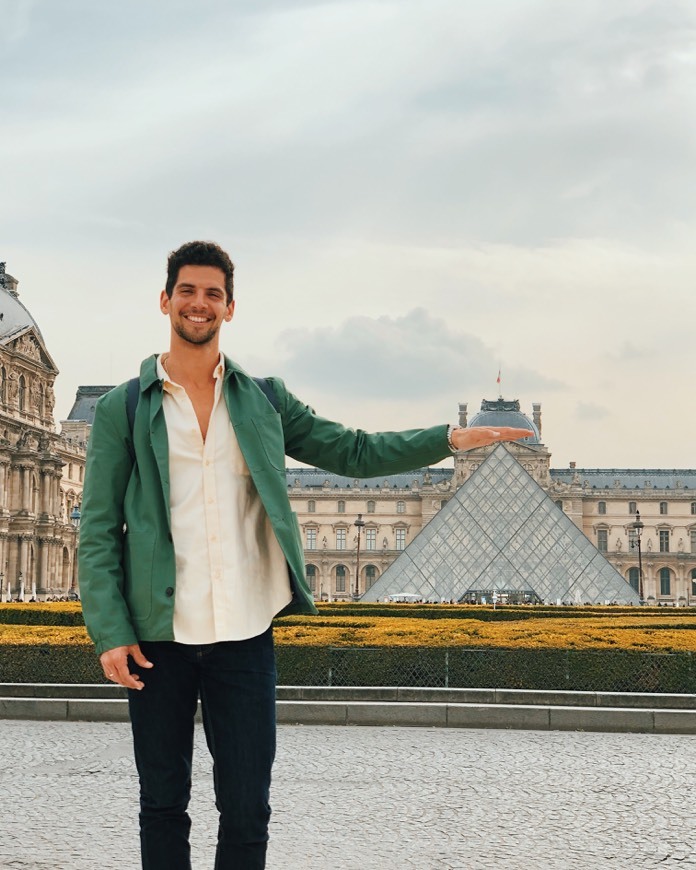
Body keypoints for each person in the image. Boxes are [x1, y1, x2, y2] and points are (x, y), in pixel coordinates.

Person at [78, 240, 532, 870]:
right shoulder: (124, 408)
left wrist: (448, 438)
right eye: (188, 291)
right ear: (165, 300)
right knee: (162, 805)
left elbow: (354, 451)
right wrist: (109, 630)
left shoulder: (263, 399)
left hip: (245, 633)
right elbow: (97, 527)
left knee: (247, 812)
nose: (199, 304)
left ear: (230, 308)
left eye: (213, 293)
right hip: (159, 635)